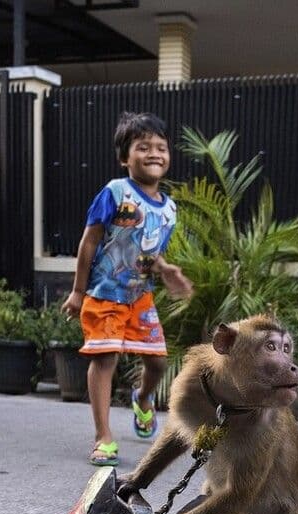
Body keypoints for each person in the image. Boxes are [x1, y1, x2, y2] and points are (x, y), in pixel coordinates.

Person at [61, 111, 192, 467]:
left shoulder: (169, 210)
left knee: (159, 362)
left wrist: (166, 270)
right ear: (125, 157)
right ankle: (103, 436)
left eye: (161, 148)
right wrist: (78, 290)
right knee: (105, 359)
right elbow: (89, 243)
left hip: (139, 296)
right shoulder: (114, 193)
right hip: (103, 295)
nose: (154, 153)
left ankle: (143, 399)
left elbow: (150, 253)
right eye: (143, 146)